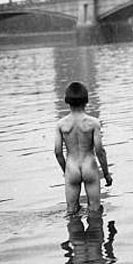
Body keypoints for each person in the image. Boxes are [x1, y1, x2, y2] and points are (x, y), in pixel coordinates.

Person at [54, 81, 112, 216]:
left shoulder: (61, 124)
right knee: (95, 210)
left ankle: (75, 236)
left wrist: (66, 172)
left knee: (71, 212)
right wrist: (106, 174)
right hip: (89, 167)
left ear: (67, 101)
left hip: (72, 168)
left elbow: (57, 152)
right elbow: (99, 151)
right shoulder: (93, 123)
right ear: (86, 100)